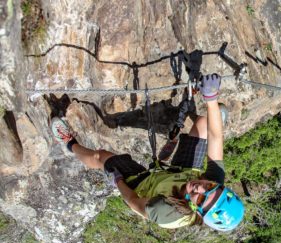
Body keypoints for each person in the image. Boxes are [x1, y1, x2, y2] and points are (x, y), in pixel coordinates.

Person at [51, 73, 245, 231]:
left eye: (202, 198)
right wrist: (210, 98)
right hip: (181, 172)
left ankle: (69, 142)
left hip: (143, 185)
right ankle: (197, 110)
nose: (200, 188)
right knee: (206, 123)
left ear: (198, 212)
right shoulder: (213, 183)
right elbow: (216, 137)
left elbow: (134, 202)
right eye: (209, 186)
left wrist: (118, 180)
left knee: (101, 157)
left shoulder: (168, 212)